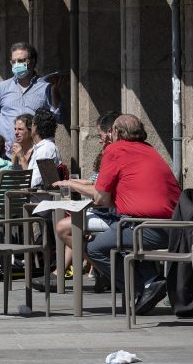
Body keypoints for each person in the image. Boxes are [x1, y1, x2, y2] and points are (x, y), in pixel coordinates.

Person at [84, 114, 180, 315]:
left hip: (146, 227)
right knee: (119, 236)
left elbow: (101, 199)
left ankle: (145, 286)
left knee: (94, 248)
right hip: (178, 228)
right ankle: (148, 284)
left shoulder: (114, 149)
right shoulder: (149, 149)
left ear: (116, 133)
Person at [34, 111, 120, 293]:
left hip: (112, 212)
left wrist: (73, 186)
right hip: (105, 209)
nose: (99, 140)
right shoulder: (112, 152)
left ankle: (107, 271)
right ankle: (72, 272)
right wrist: (71, 183)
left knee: (66, 226)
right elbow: (96, 183)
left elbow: (100, 192)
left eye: (100, 135)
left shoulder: (115, 153)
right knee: (74, 225)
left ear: (112, 132)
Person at [0, 42, 62, 154]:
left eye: (21, 61)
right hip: (8, 155)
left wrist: (55, 93)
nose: (17, 64)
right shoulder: (3, 87)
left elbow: (58, 118)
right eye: (13, 61)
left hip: (36, 154)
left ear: (33, 61)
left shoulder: (46, 87)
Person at [26, 108, 61, 189]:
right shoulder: (44, 147)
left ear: (35, 127)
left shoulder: (46, 149)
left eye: (31, 124)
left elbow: (34, 182)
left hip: (39, 198)